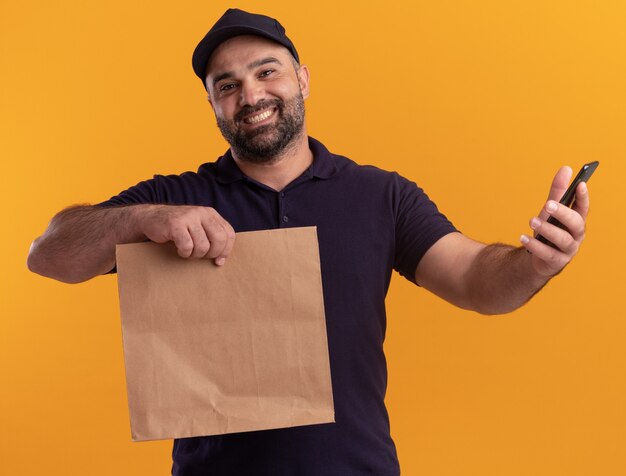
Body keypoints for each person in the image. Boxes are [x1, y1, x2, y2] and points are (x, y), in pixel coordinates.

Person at [27, 8, 590, 476]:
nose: (250, 95)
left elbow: (476, 281)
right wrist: (141, 220)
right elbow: (48, 254)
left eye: (266, 72)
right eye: (227, 86)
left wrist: (535, 261)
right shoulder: (173, 198)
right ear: (213, 105)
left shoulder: (381, 196)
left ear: (302, 79)